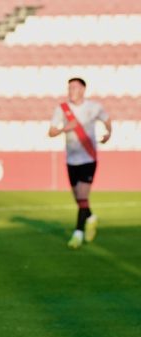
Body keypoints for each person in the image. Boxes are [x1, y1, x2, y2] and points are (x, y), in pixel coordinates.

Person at [48, 77, 111, 249]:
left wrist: (108, 133)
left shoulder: (93, 107)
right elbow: (51, 132)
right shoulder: (62, 109)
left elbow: (107, 120)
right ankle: (91, 218)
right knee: (78, 198)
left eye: (74, 87)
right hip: (71, 159)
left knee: (83, 196)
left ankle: (78, 233)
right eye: (69, 88)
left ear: (83, 89)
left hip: (88, 158)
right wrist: (64, 129)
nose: (71, 91)